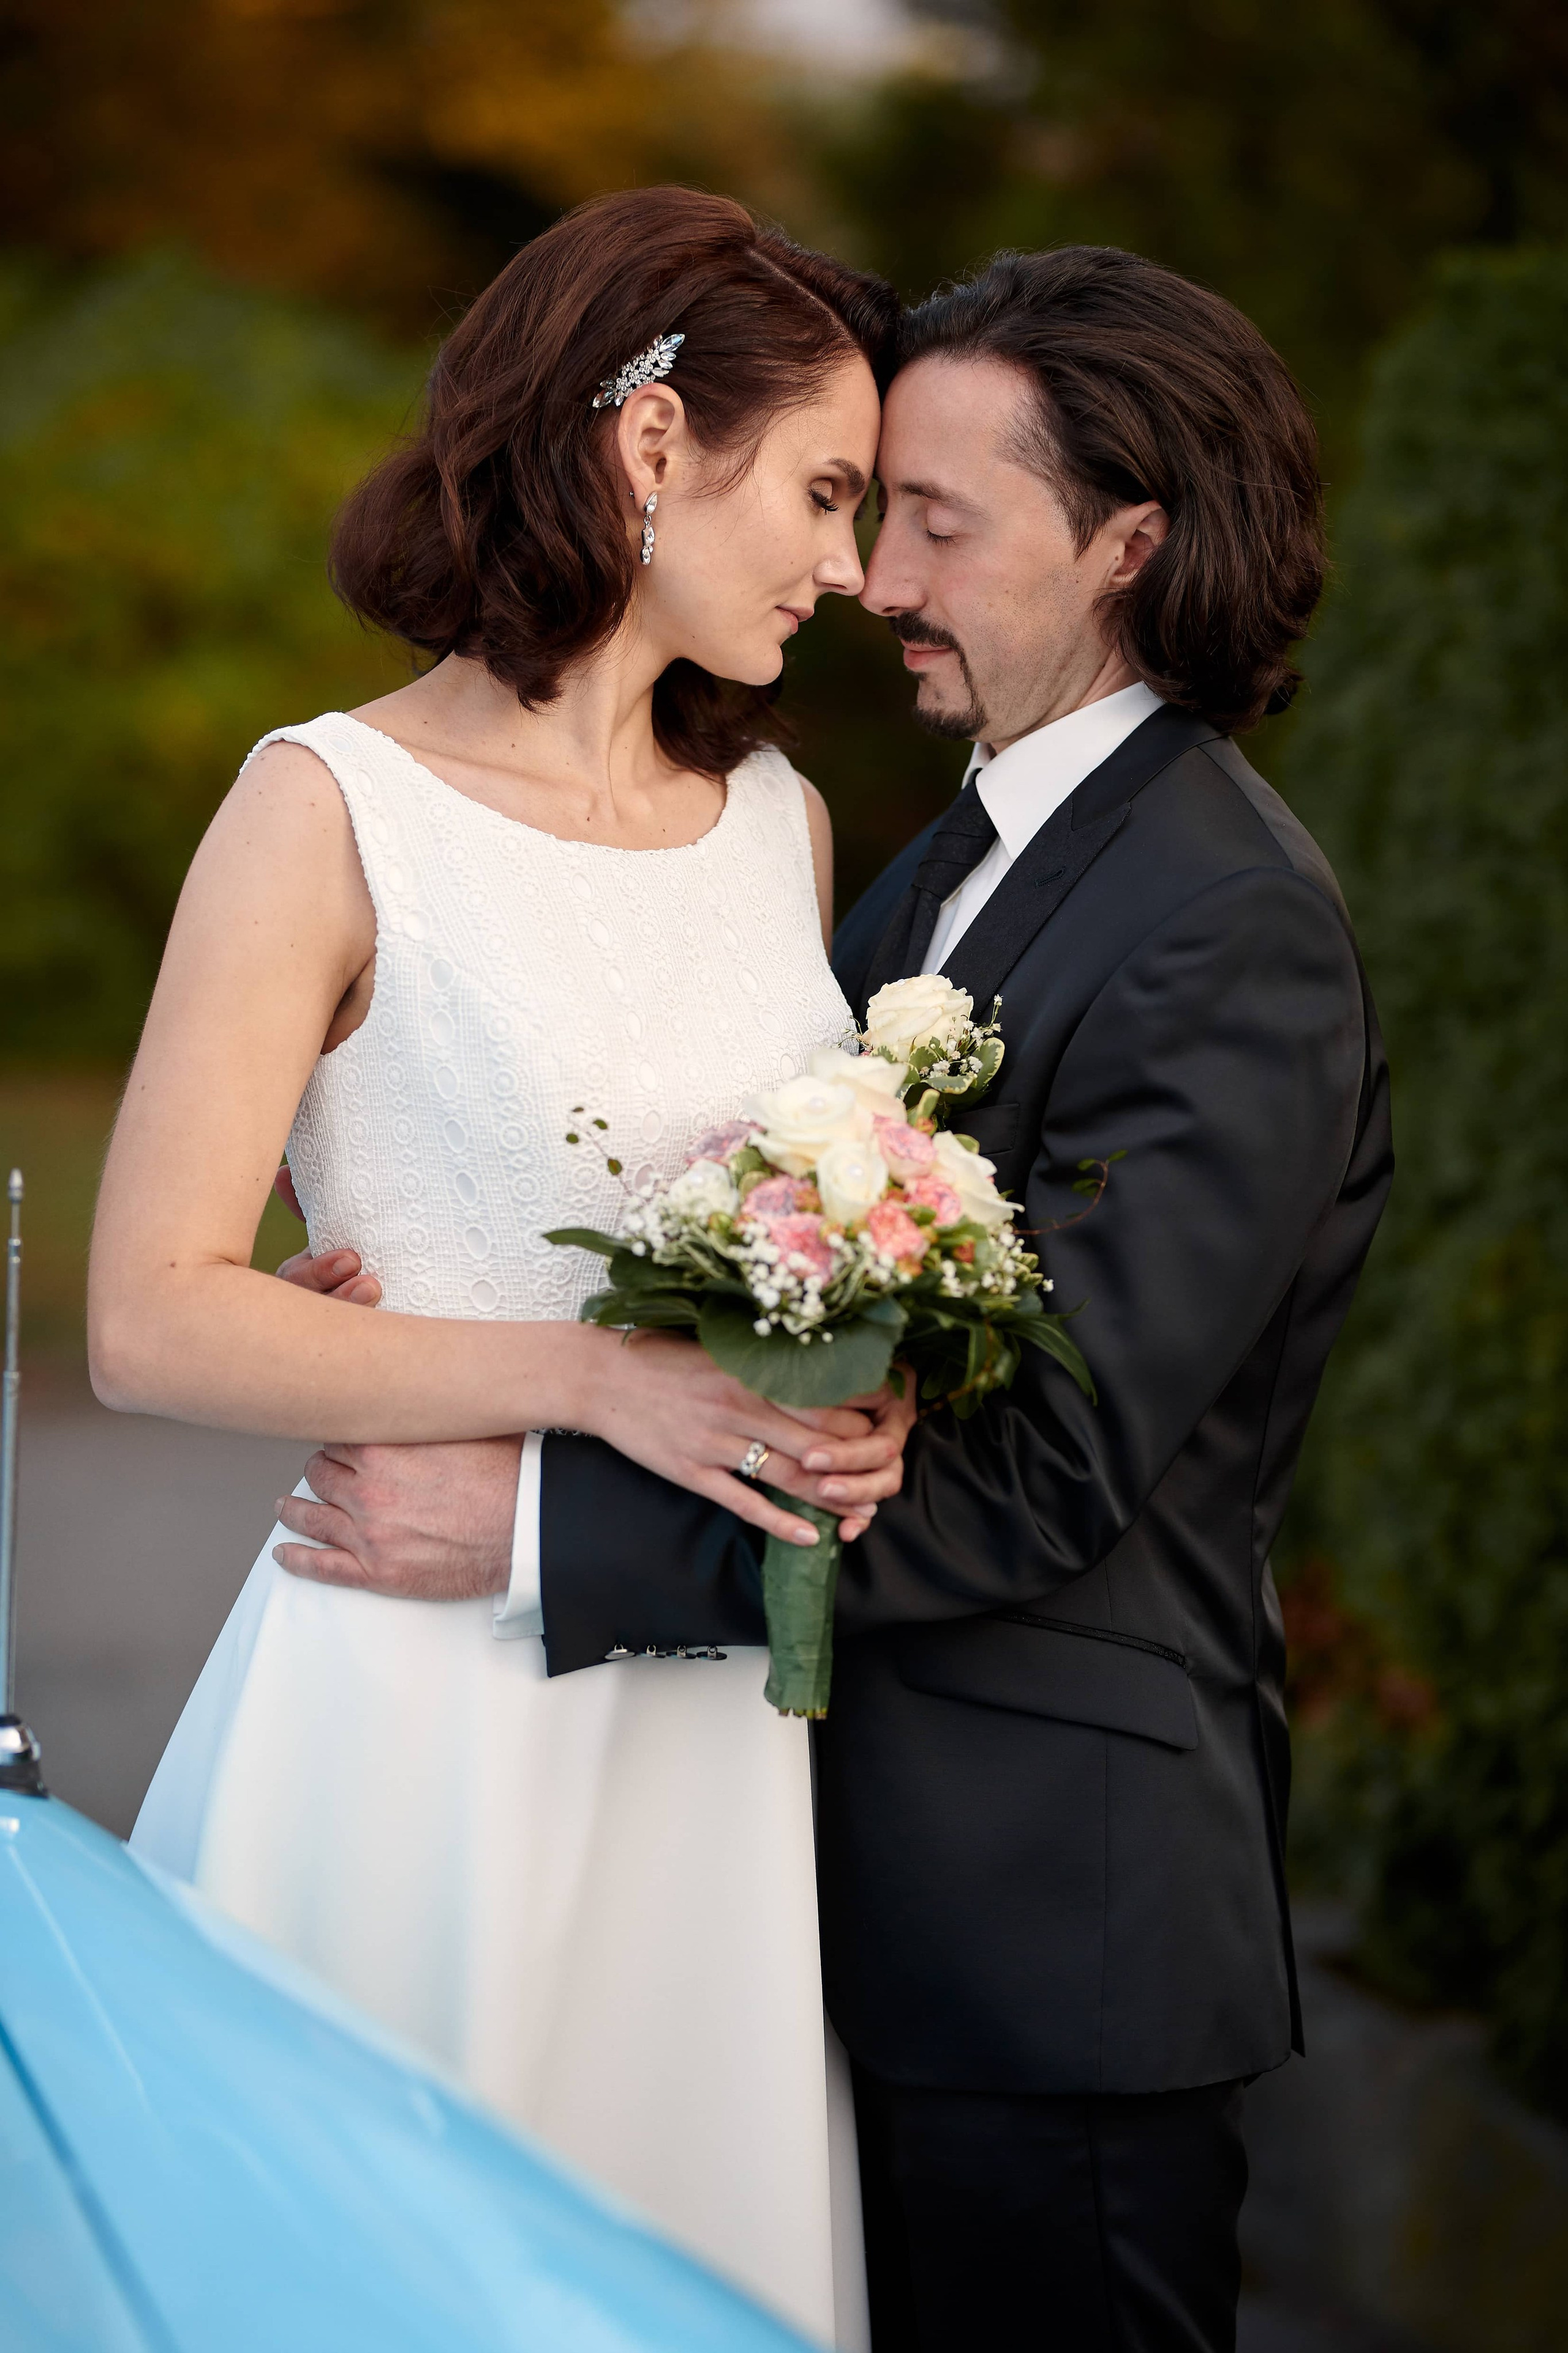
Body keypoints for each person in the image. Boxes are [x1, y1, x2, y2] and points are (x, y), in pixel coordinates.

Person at [279, 244, 1394, 2352]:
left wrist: (525, 1528)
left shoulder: (1225, 923)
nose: (879, 577)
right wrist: (394, 1267)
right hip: (821, 1894)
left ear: (1130, 547)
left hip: (1052, 1946)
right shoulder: (943, 863)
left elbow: (1048, 1462)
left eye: (939, 523)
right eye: (868, 509)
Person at [94, 186, 916, 2349]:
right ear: (653, 449)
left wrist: (872, 1356)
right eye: (823, 493)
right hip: (417, 1705)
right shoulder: (323, 805)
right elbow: (152, 1307)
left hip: (715, 1726)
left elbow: (793, 1235)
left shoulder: (783, 828)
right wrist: (588, 1381)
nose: (846, 567)